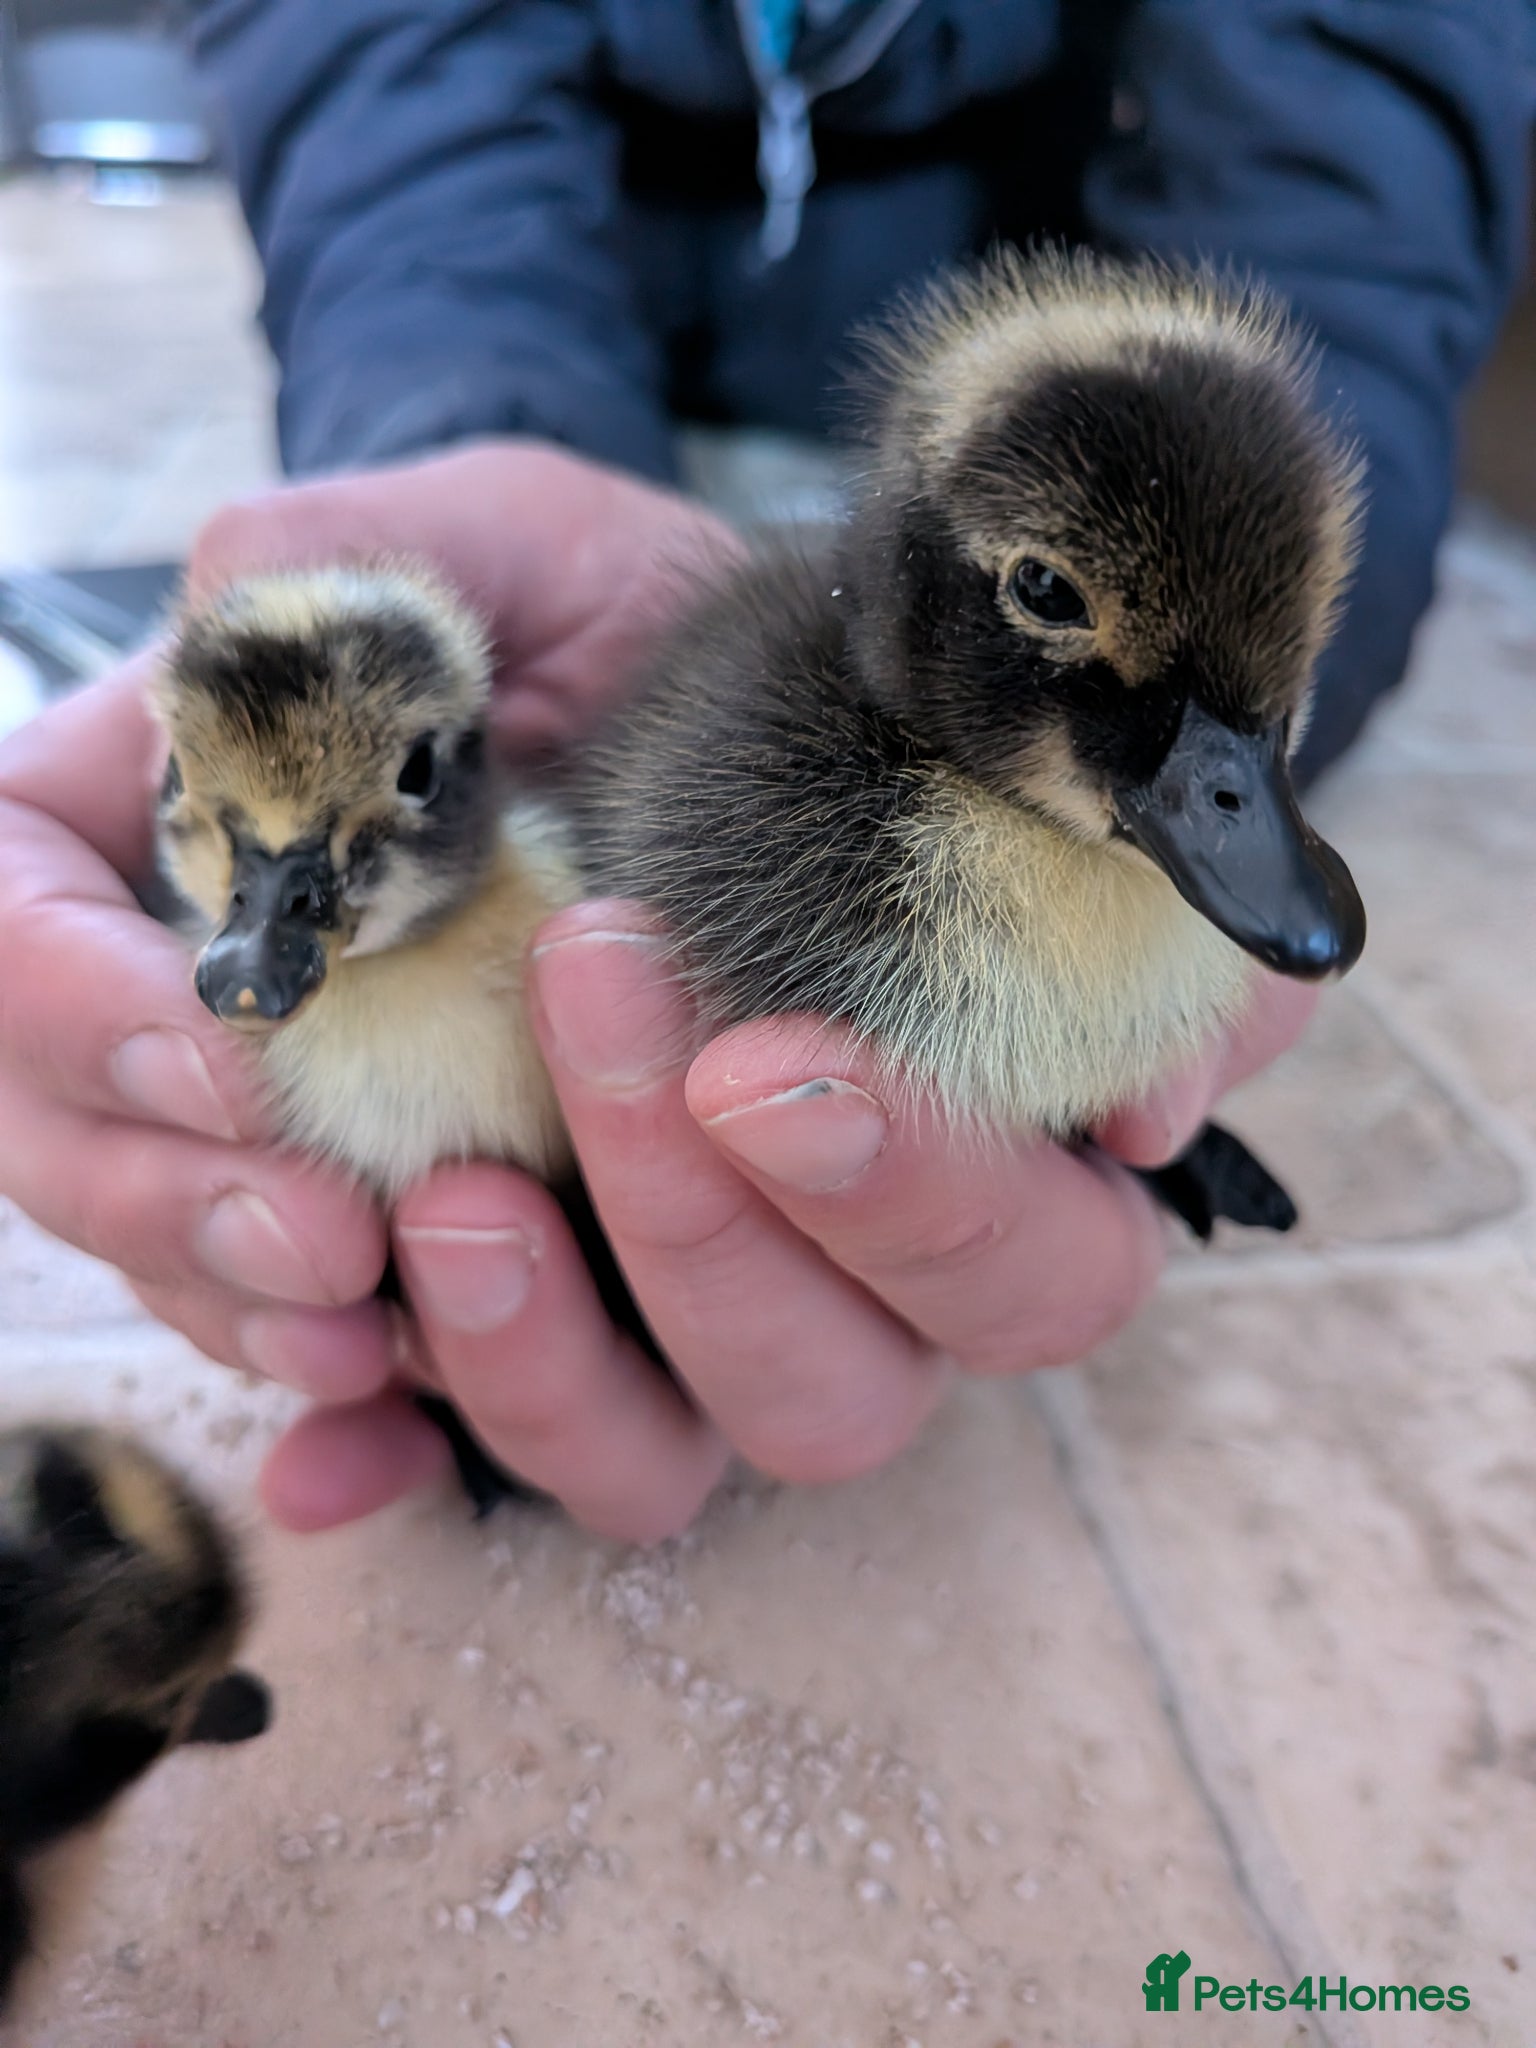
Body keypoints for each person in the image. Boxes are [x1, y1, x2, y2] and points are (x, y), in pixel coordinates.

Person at [0, 2, 1525, 1541]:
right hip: (616, 356)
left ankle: (1088, 1141)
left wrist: (1320, 606)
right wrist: (464, 430)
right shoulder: (797, 821)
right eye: (1054, 603)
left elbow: (1357, 158)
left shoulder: (1127, 706)